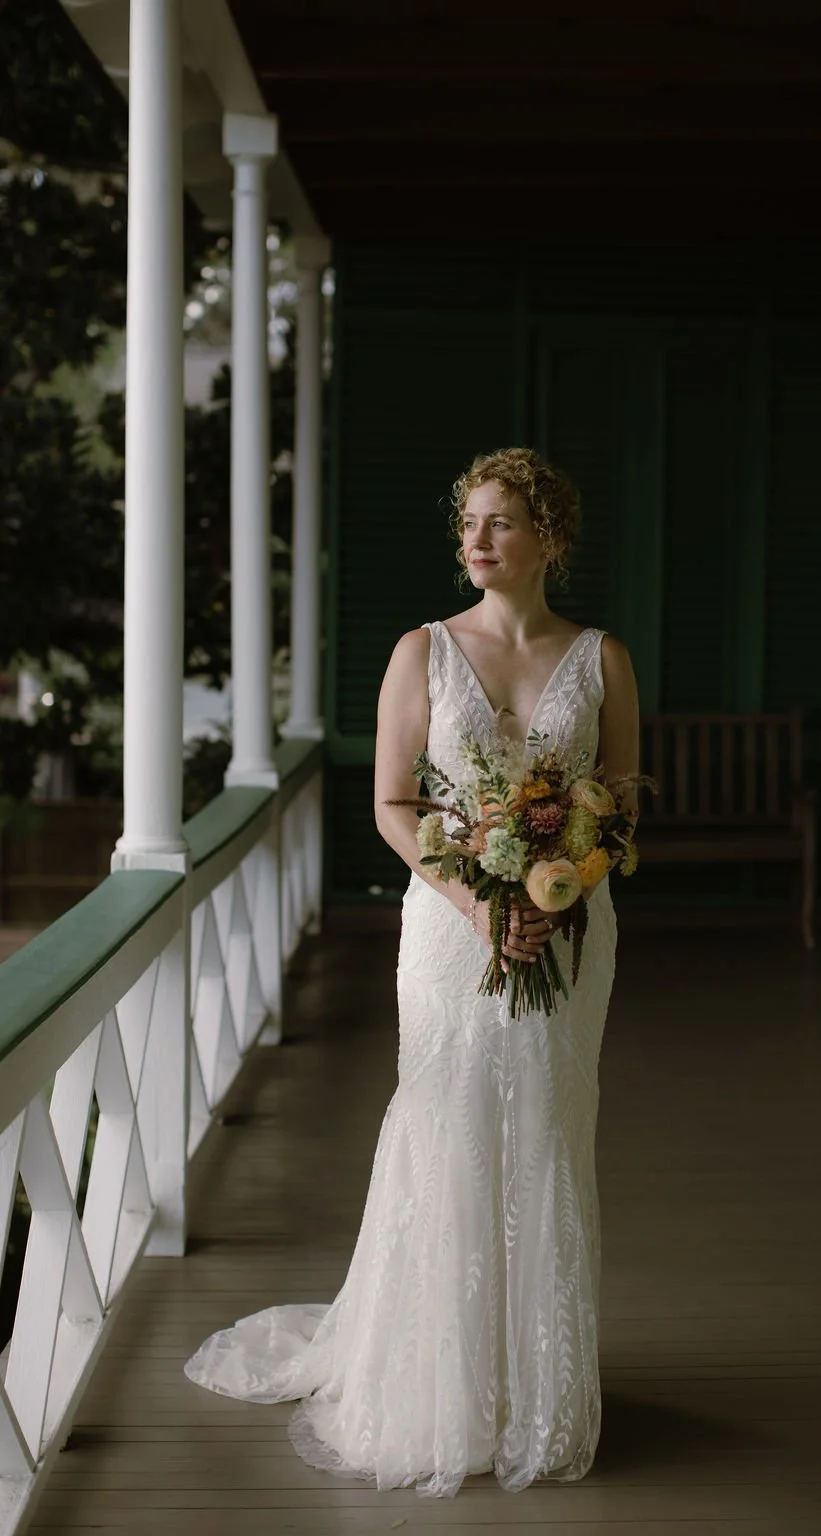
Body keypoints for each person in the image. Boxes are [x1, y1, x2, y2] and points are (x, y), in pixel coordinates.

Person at [184, 446, 640, 1497]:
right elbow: (395, 804)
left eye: (499, 523)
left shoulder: (602, 656)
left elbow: (617, 805)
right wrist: (485, 901)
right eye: (467, 524)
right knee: (449, 1125)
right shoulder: (421, 652)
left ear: (549, 538)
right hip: (447, 929)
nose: (475, 541)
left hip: (571, 929)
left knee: (547, 1130)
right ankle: (435, 1388)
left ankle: (537, 1391)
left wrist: (553, 888)